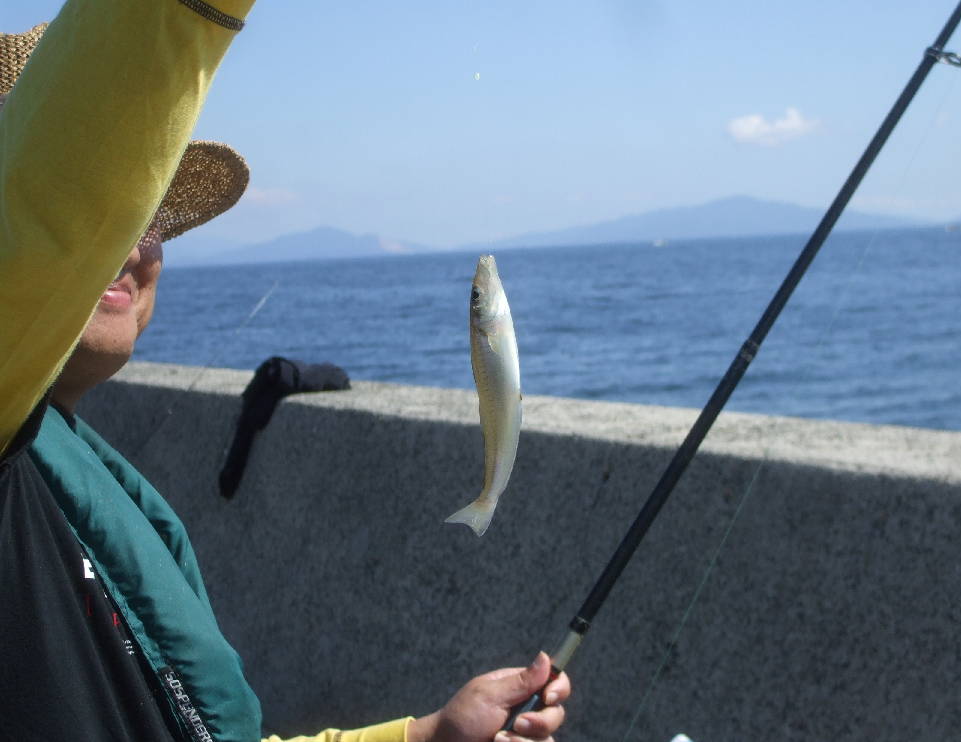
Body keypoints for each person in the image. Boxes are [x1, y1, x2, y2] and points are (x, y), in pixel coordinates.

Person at [0, 7, 569, 742]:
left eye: (150, 212)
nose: (131, 243)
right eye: (100, 199)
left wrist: (426, 737)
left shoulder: (86, 480)